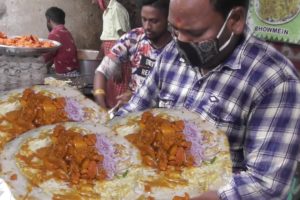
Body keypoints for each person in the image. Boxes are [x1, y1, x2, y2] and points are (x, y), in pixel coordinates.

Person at [116, 0, 300, 199]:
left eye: (195, 34)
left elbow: (265, 185)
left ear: (235, 20)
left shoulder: (274, 80)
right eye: (175, 30)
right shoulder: (171, 54)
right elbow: (133, 111)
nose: (181, 42)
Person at [93, 0, 172, 110]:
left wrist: (137, 99)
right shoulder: (134, 37)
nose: (147, 26)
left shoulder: (177, 49)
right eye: (144, 20)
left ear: (168, 19)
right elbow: (102, 71)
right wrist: (101, 103)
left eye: (154, 21)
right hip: (131, 111)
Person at [93, 0, 131, 109]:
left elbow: (123, 38)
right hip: (111, 55)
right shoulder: (107, 11)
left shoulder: (116, 9)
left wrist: (117, 65)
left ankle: (120, 116)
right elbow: (108, 36)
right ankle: (111, 113)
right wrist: (101, 52)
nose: (92, 2)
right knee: (111, 89)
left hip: (118, 57)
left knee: (119, 89)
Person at [44, 7, 79, 77]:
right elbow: (56, 53)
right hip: (75, 72)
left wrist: (34, 62)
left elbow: (47, 55)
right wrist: (48, 65)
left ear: (48, 20)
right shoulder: (67, 32)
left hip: (64, 75)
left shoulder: (54, 34)